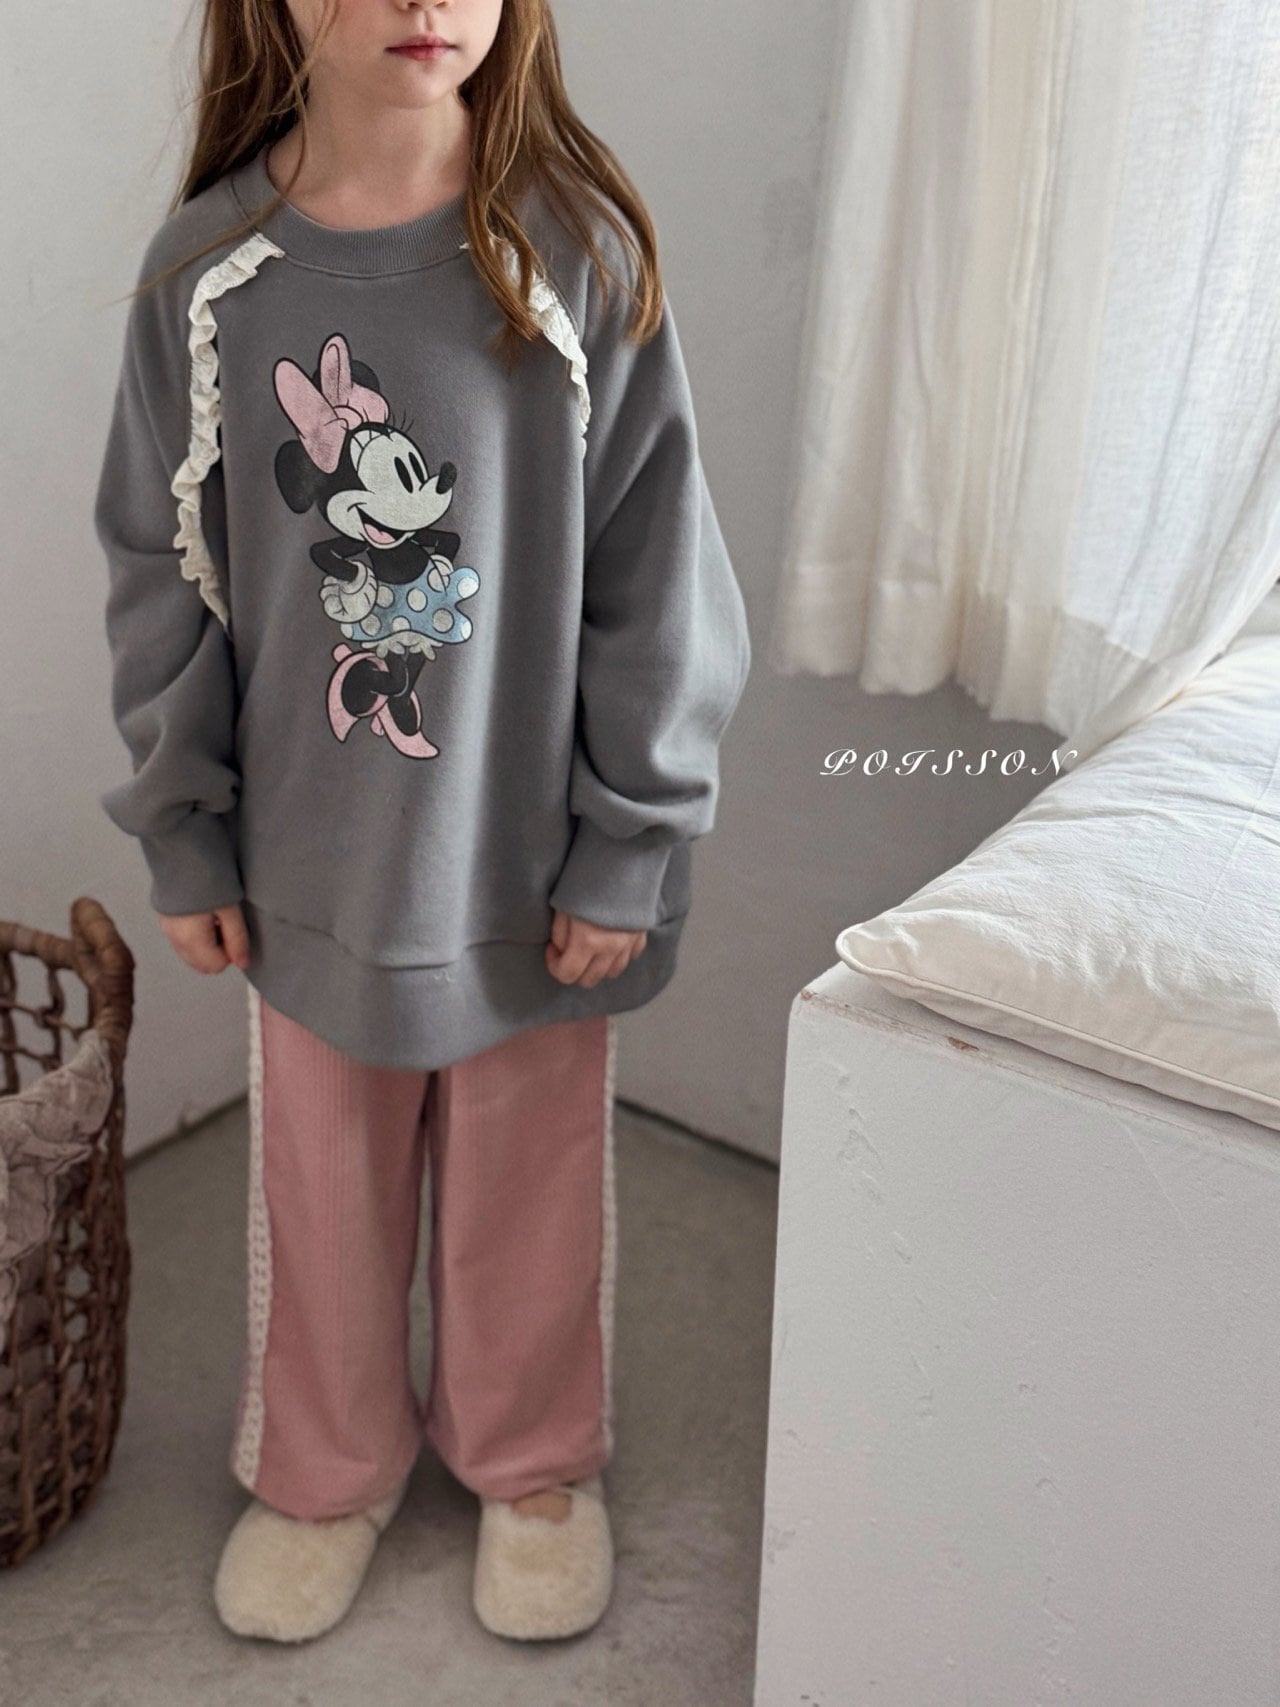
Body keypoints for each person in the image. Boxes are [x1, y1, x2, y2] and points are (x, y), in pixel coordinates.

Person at [94, 0, 751, 1649]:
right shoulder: (208, 279)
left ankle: (532, 1464)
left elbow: (658, 576)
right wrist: (183, 828)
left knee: (530, 1185)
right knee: (322, 1190)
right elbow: (164, 572)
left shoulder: (579, 259)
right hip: (311, 871)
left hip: (534, 872)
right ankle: (324, 1470)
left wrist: (630, 841)